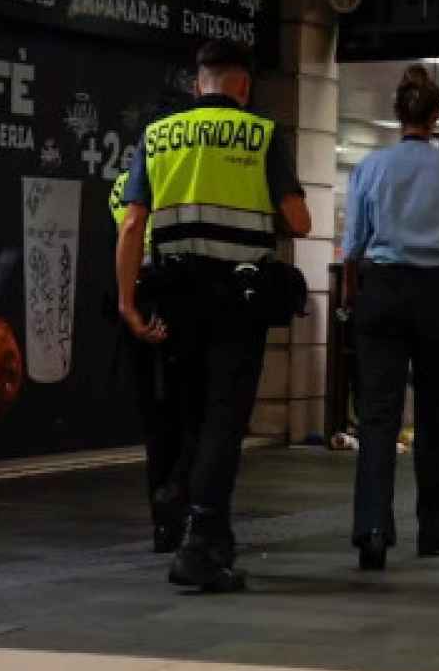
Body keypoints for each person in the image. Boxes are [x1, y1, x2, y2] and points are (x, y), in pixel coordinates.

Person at [116, 40, 311, 592]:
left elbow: (133, 225)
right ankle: (200, 538)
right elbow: (298, 220)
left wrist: (129, 303)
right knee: (224, 421)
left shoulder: (157, 136)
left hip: (174, 297)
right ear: (243, 86)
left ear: (198, 83)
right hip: (235, 301)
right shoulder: (265, 133)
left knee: (192, 416)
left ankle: (201, 523)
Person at [342, 65, 439, 571]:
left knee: (378, 414)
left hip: (382, 289)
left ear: (397, 114)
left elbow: (353, 244)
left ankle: (373, 529)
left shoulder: (370, 167)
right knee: (437, 412)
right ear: (436, 115)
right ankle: (434, 526)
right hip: (438, 293)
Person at [110, 163, 185, 554]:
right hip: (176, 293)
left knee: (155, 420)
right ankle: (178, 502)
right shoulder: (183, 173)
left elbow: (126, 233)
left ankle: (163, 522)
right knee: (189, 410)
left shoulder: (125, 182)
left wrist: (127, 305)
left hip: (138, 291)